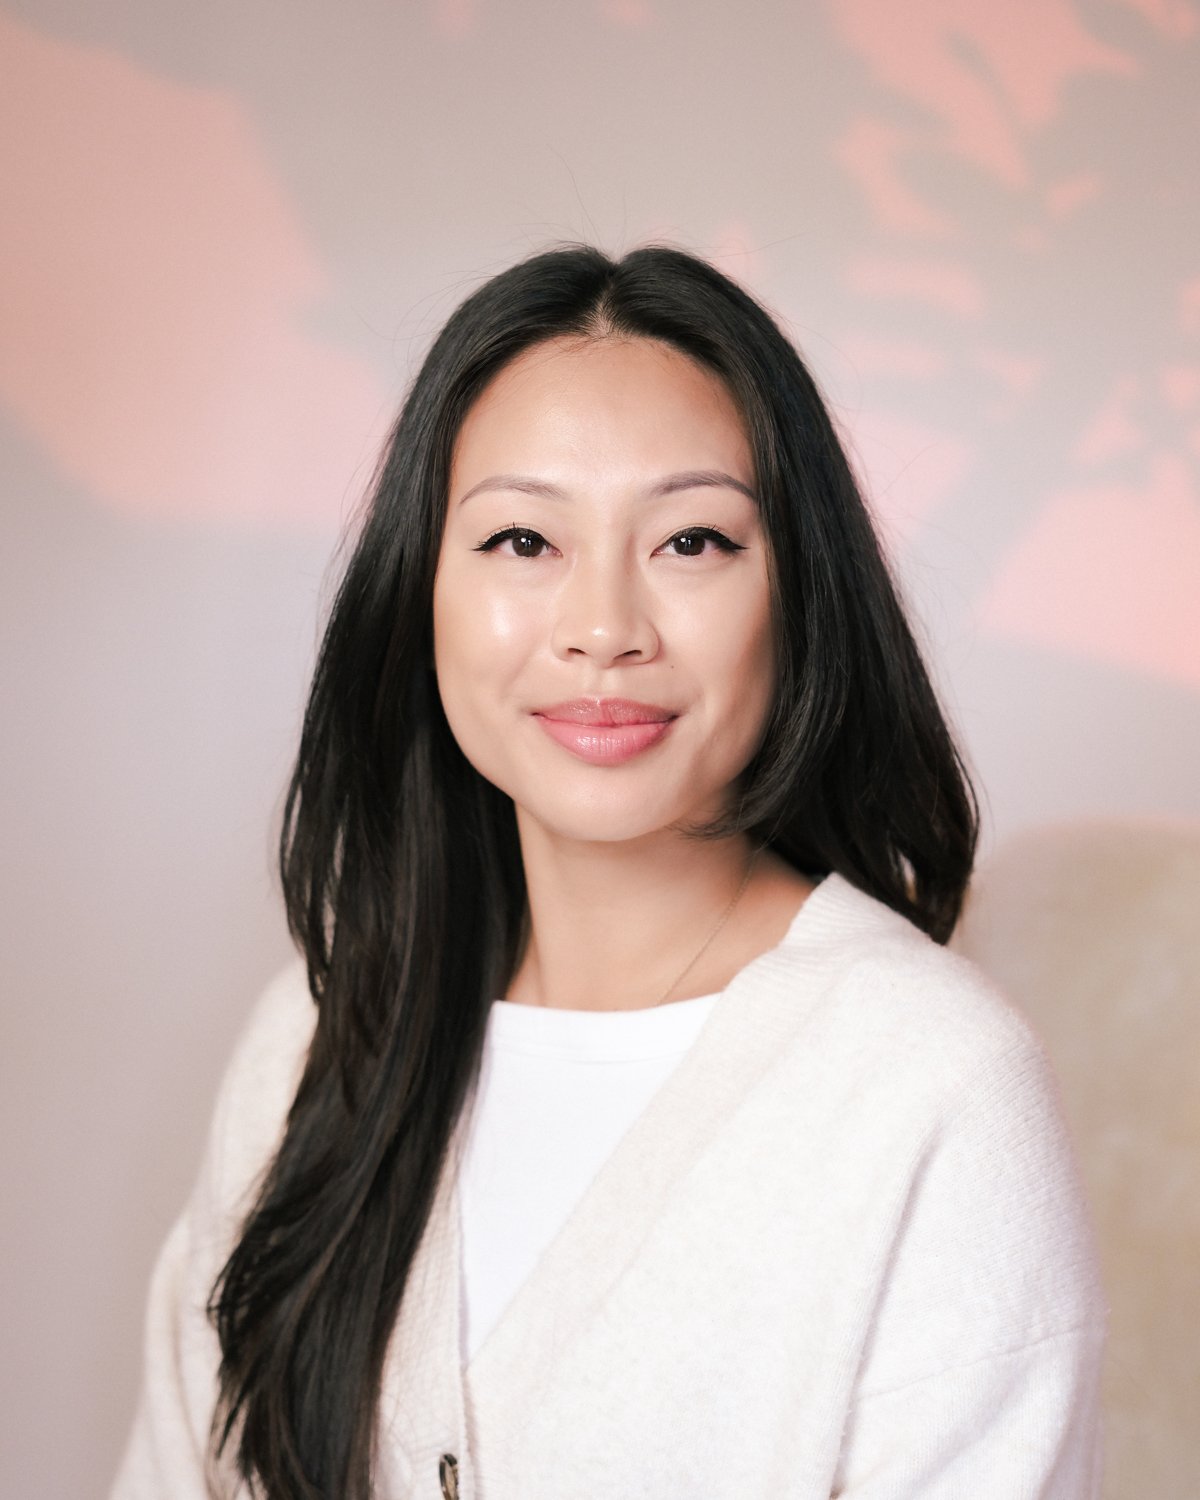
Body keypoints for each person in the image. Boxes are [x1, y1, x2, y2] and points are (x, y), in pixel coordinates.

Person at [112, 244, 1107, 1500]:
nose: (603, 628)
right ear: (420, 595)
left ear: (799, 595)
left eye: (692, 540)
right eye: (522, 539)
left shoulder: (936, 1089)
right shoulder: (314, 1035)